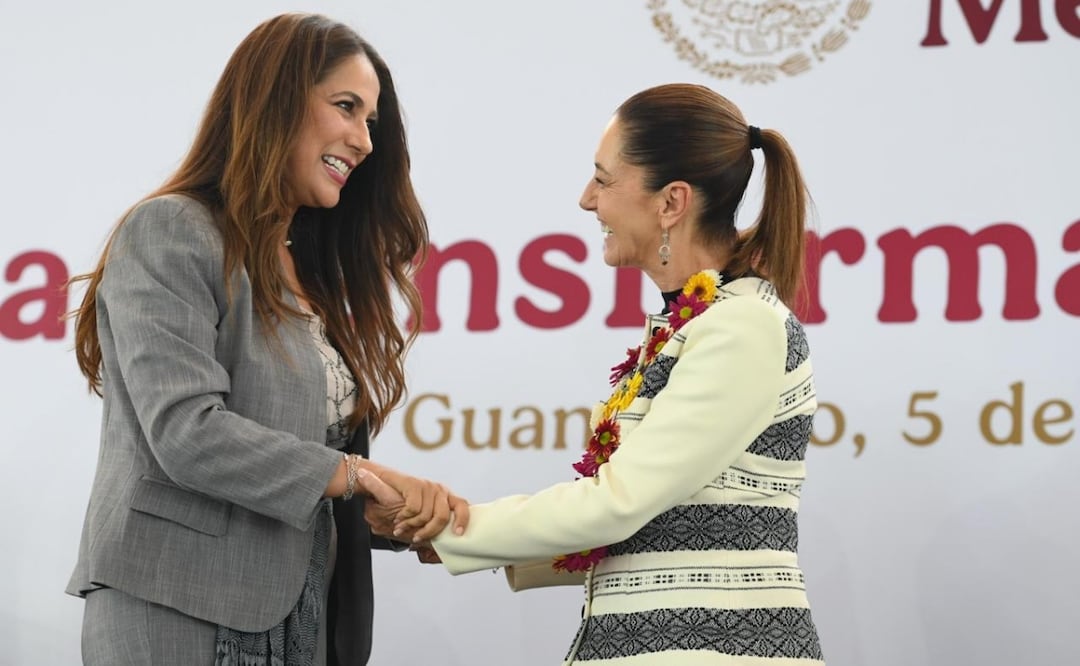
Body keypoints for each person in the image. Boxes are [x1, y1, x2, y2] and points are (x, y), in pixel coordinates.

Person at [369, 83, 824, 664]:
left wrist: (456, 529)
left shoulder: (742, 326)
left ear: (671, 203)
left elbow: (618, 503)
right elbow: (653, 524)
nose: (587, 200)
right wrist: (460, 539)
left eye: (604, 180)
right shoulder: (696, 322)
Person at [65, 13, 466, 666]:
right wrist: (357, 475)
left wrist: (386, 512)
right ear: (276, 100)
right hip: (177, 604)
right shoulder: (171, 229)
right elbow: (187, 433)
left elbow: (301, 470)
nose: (364, 141)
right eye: (346, 107)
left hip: (305, 621)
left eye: (371, 121)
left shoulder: (308, 273)